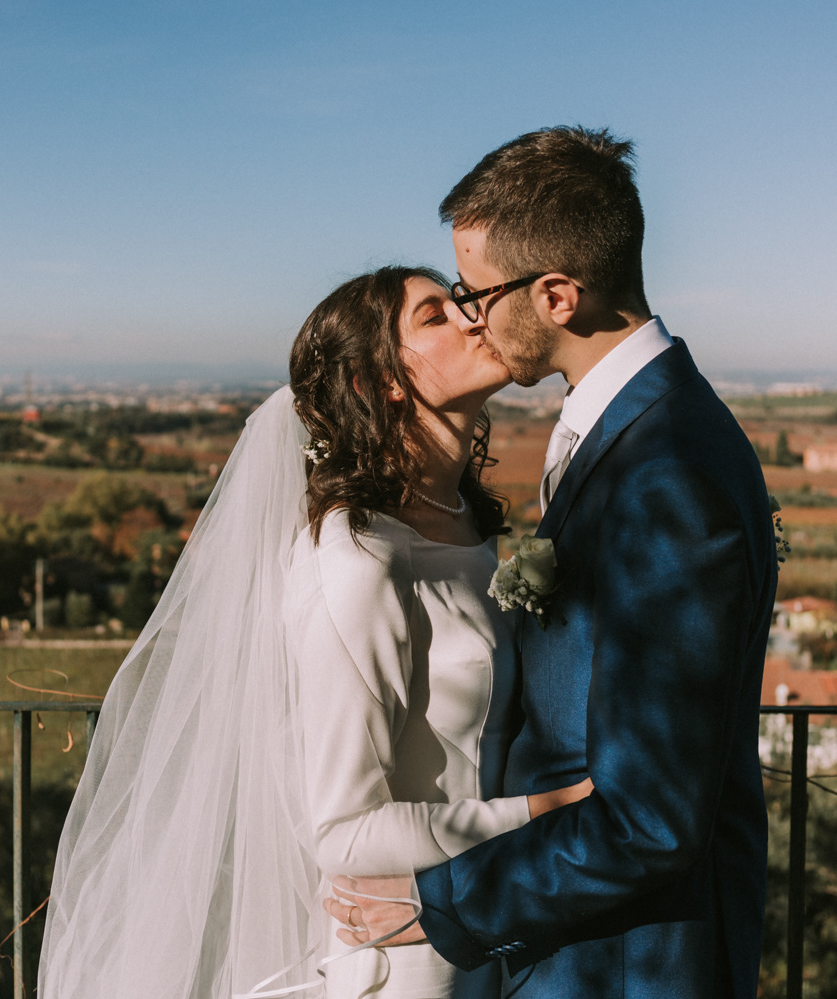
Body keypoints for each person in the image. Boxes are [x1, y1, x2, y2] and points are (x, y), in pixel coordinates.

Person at [38, 265, 588, 999]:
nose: (472, 317)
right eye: (434, 316)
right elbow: (344, 832)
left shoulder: (462, 522)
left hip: (492, 928)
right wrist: (551, 812)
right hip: (411, 963)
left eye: (457, 302)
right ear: (379, 383)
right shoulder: (359, 558)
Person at [329, 127, 777, 999]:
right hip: (577, 947)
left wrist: (442, 904)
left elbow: (650, 819)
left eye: (476, 291)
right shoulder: (628, 430)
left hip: (628, 966)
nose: (470, 313)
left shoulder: (669, 477)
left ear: (558, 297)